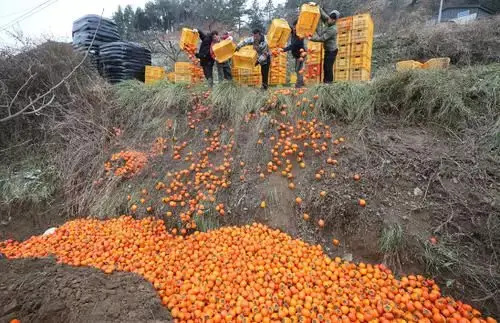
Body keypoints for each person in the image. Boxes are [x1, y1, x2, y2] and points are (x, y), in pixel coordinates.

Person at [309, 4, 339, 84]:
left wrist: (310, 38)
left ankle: (329, 83)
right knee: (325, 66)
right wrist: (316, 6)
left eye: (332, 19)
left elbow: (322, 38)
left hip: (332, 51)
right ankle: (325, 82)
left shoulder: (333, 29)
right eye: (329, 18)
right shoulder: (328, 19)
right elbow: (322, 13)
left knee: (328, 67)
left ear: (335, 20)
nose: (329, 20)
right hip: (327, 50)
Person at [283, 20, 306, 88]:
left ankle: (299, 84)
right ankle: (300, 83)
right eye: (293, 26)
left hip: (300, 55)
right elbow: (289, 29)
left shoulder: (300, 35)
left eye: (295, 27)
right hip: (296, 55)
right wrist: (285, 22)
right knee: (298, 69)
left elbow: (293, 45)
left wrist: (284, 49)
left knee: (298, 70)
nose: (294, 28)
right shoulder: (293, 31)